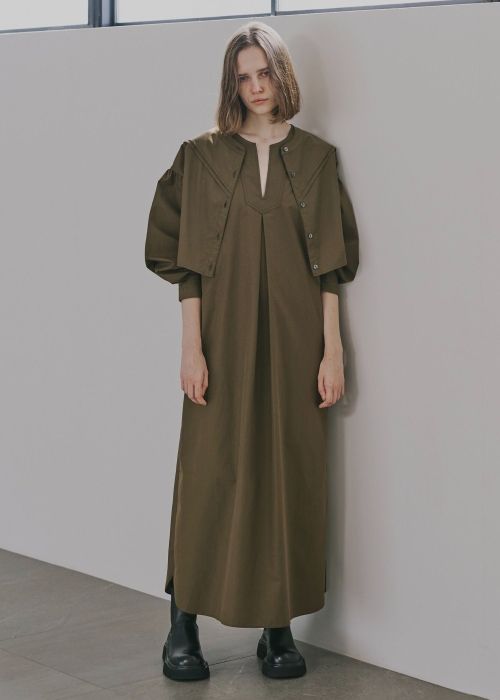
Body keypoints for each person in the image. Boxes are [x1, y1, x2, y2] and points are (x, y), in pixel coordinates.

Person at [145, 20, 359, 682]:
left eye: (264, 73)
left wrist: (332, 352)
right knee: (208, 472)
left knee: (288, 475)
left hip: (297, 343)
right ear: (230, 85)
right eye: (243, 77)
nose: (256, 87)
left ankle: (277, 629)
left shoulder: (317, 158)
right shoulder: (200, 157)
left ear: (281, 75)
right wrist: (191, 348)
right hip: (221, 338)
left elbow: (329, 269)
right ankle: (182, 623)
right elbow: (184, 265)